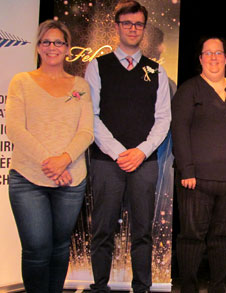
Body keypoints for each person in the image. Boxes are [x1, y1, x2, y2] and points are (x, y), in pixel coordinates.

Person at [84, 1, 171, 291]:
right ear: (117, 26)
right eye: (127, 23)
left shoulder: (156, 71)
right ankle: (99, 286)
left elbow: (163, 119)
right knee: (102, 229)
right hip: (106, 162)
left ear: (143, 28)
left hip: (144, 162)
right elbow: (91, 116)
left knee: (143, 231)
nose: (133, 29)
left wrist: (141, 151)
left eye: (138, 24)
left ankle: (142, 287)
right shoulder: (98, 66)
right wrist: (120, 153)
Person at [6, 19, 93, 292]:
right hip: (28, 179)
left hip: (70, 180)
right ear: (38, 47)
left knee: (59, 248)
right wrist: (52, 163)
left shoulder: (80, 85)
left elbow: (87, 132)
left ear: (68, 48)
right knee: (36, 249)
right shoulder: (21, 82)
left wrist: (64, 160)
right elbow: (16, 130)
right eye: (46, 42)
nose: (52, 47)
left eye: (58, 42)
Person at [172, 36, 226, 293]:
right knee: (192, 238)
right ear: (200, 59)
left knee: (222, 238)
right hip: (196, 181)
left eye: (218, 53)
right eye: (208, 53)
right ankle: (189, 288)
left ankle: (218, 288)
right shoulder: (189, 90)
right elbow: (180, 130)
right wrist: (187, 169)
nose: (214, 58)